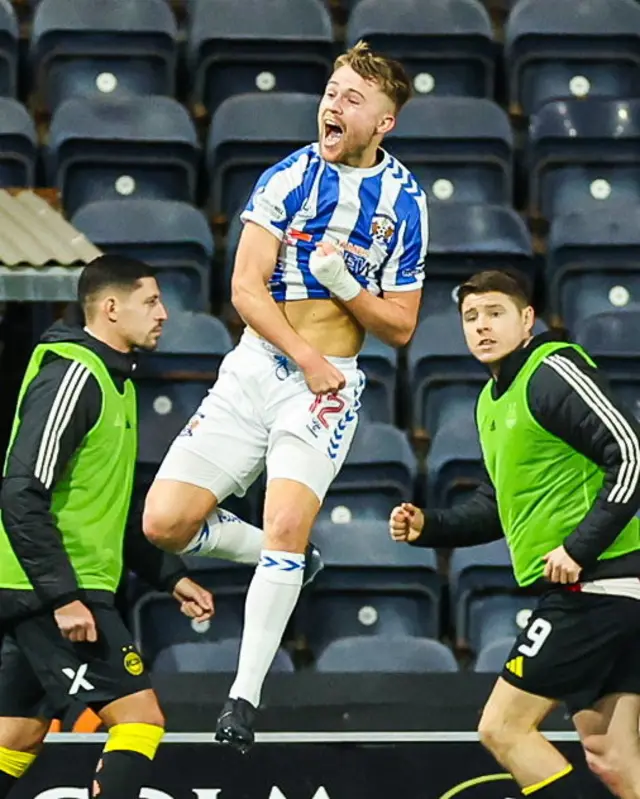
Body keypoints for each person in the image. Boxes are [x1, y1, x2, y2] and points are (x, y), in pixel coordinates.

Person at [142, 39, 428, 752]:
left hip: (326, 388)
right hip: (258, 369)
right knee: (163, 525)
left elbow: (400, 324)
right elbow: (243, 288)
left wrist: (345, 288)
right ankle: (288, 556)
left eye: (351, 99)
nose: (332, 105)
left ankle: (242, 698)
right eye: (331, 91)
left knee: (287, 527)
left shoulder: (408, 202)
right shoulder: (287, 177)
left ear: (383, 123)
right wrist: (301, 355)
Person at [389, 268, 640, 799]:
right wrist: (428, 526)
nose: (481, 326)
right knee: (612, 756)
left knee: (502, 727)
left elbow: (633, 454)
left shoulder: (550, 370)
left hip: (598, 586)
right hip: (611, 590)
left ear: (527, 320)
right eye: (471, 317)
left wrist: (579, 548)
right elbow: (496, 507)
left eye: (495, 313)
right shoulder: (491, 401)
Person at [0, 255, 214, 799]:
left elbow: (104, 505)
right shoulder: (75, 374)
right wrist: (62, 597)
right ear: (111, 308)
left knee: (15, 737)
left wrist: (169, 575)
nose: (164, 314)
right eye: (151, 302)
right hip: (52, 591)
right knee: (141, 721)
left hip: (51, 587)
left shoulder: (118, 383)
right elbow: (21, 491)